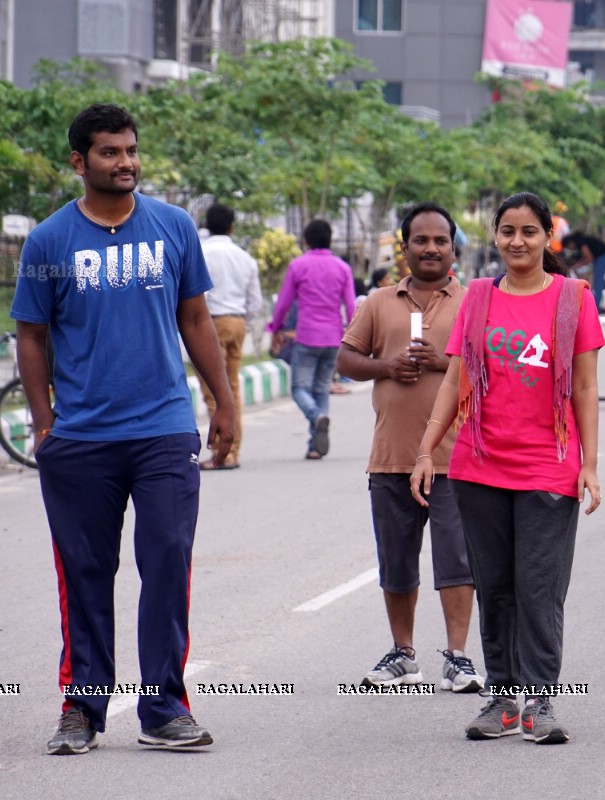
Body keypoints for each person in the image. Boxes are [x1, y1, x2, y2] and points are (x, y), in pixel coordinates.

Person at [10, 103, 235, 754]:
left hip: (163, 427)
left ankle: (164, 707)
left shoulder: (172, 227)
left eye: (132, 150)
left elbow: (196, 318)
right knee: (85, 572)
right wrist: (45, 423)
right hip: (80, 438)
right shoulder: (51, 240)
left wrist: (222, 402)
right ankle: (82, 709)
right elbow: (31, 334)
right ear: (80, 162)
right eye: (110, 152)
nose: (126, 161)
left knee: (166, 559)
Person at [411, 192, 603, 745]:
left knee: (539, 587)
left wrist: (590, 464)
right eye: (507, 231)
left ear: (548, 238)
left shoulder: (573, 299)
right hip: (478, 466)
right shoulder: (476, 298)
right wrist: (427, 450)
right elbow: (454, 379)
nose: (517, 241)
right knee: (495, 586)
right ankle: (501, 696)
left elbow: (586, 387)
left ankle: (540, 700)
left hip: (548, 466)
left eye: (529, 231)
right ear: (495, 236)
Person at [336, 203, 483, 694]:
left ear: (453, 247)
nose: (431, 248)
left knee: (456, 560)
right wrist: (387, 366)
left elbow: (490, 371)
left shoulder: (475, 303)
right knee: (396, 561)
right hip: (392, 457)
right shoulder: (379, 302)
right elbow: (347, 358)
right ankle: (403, 654)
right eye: (420, 240)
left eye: (440, 240)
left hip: (454, 458)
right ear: (405, 247)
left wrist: (445, 362)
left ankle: (458, 657)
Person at [265, 220, 356, 459]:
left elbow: (284, 302)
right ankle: (315, 447)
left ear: (305, 241)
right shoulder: (342, 268)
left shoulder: (298, 265)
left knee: (298, 388)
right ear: (330, 239)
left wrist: (276, 327)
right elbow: (350, 305)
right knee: (322, 389)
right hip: (334, 337)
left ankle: (316, 417)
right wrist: (354, 335)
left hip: (306, 336)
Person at [196, 202, 262, 470]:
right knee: (231, 387)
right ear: (232, 227)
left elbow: (199, 296)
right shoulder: (244, 256)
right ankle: (233, 450)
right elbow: (255, 302)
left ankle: (224, 453)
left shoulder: (203, 253)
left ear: (206, 226)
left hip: (210, 323)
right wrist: (243, 322)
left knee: (214, 388)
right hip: (237, 322)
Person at [561, 230, 605, 313]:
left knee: (597, 281)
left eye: (568, 247)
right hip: (600, 254)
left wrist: (576, 266)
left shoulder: (581, 243)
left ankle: (595, 307)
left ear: (570, 243)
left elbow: (589, 258)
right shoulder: (581, 241)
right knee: (597, 281)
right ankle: (596, 305)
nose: (570, 249)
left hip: (602, 255)